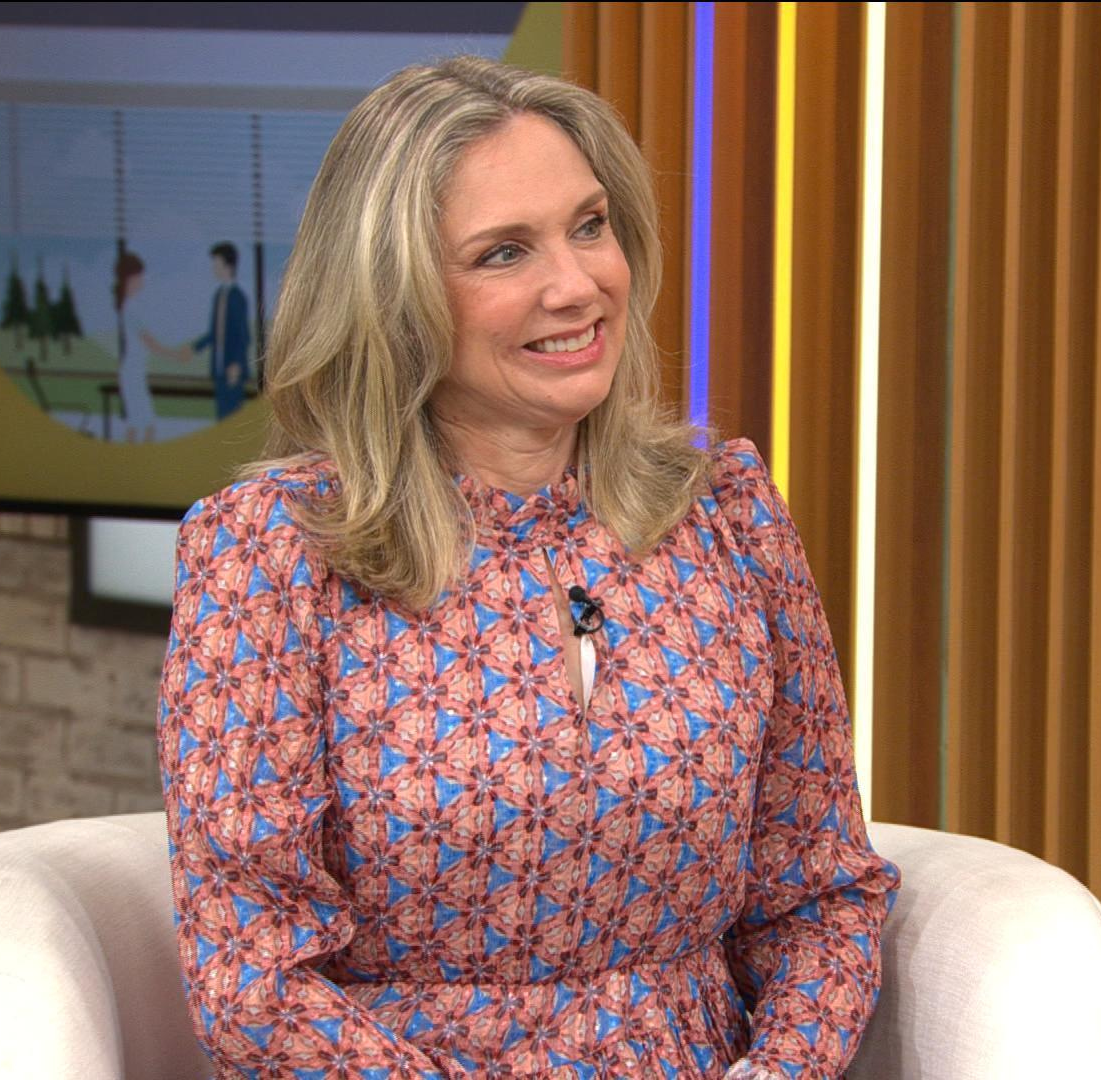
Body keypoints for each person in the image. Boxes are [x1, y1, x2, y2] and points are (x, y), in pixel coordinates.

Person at [157, 55, 897, 1080]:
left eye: (589, 226)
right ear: (395, 297)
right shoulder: (270, 554)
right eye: (503, 252)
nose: (577, 284)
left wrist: (777, 1072)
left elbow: (818, 892)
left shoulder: (727, 512)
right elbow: (253, 979)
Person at [193, 240, 252, 419]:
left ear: (228, 266)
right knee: (221, 417)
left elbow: (243, 335)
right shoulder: (219, 295)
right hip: (218, 368)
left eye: (217, 264)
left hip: (232, 370)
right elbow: (215, 333)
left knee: (232, 419)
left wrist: (237, 364)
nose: (214, 269)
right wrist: (194, 349)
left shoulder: (237, 297)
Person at [112, 251, 158, 443]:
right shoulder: (131, 308)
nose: (142, 280)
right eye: (139, 276)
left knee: (138, 422)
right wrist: (176, 355)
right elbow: (149, 342)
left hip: (135, 370)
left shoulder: (131, 306)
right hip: (133, 371)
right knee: (144, 423)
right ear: (130, 279)